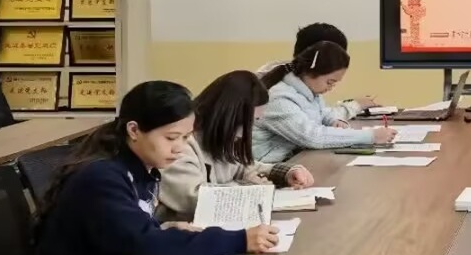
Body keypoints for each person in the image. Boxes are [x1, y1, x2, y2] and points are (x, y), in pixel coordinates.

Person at [28, 80, 279, 255]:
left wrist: (160, 226)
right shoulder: (102, 176)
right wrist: (239, 239)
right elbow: (143, 242)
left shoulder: (141, 167)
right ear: (134, 130)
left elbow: (128, 228)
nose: (179, 148)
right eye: (171, 138)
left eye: (186, 138)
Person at [160, 70, 318, 218]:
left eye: (255, 121)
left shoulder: (222, 137)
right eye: (246, 123)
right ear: (227, 116)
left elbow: (244, 168)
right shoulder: (180, 142)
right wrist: (247, 187)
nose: (248, 131)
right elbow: (193, 199)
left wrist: (285, 173)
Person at [253, 41, 398, 161]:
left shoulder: (309, 90)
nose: (331, 88)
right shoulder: (278, 98)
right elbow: (312, 136)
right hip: (266, 168)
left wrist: (333, 120)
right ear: (312, 72)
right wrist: (371, 136)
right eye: (330, 82)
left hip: (295, 158)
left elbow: (322, 113)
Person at [259, 23, 375, 118]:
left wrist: (356, 106)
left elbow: (321, 115)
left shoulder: (302, 83)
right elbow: (312, 132)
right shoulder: (278, 92)